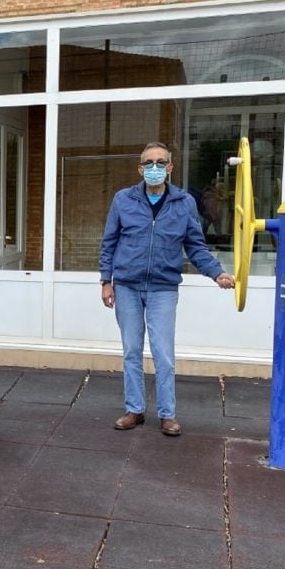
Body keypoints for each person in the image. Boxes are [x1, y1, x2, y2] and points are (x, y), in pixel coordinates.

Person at [99, 142, 234, 437]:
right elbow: (109, 243)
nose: (154, 168)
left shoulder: (184, 202)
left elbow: (195, 246)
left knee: (163, 353)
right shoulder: (123, 200)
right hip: (128, 287)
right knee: (132, 351)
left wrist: (217, 273)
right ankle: (134, 409)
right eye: (149, 163)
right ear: (140, 168)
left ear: (170, 168)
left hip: (163, 288)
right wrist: (106, 281)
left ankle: (167, 414)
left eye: (160, 162)